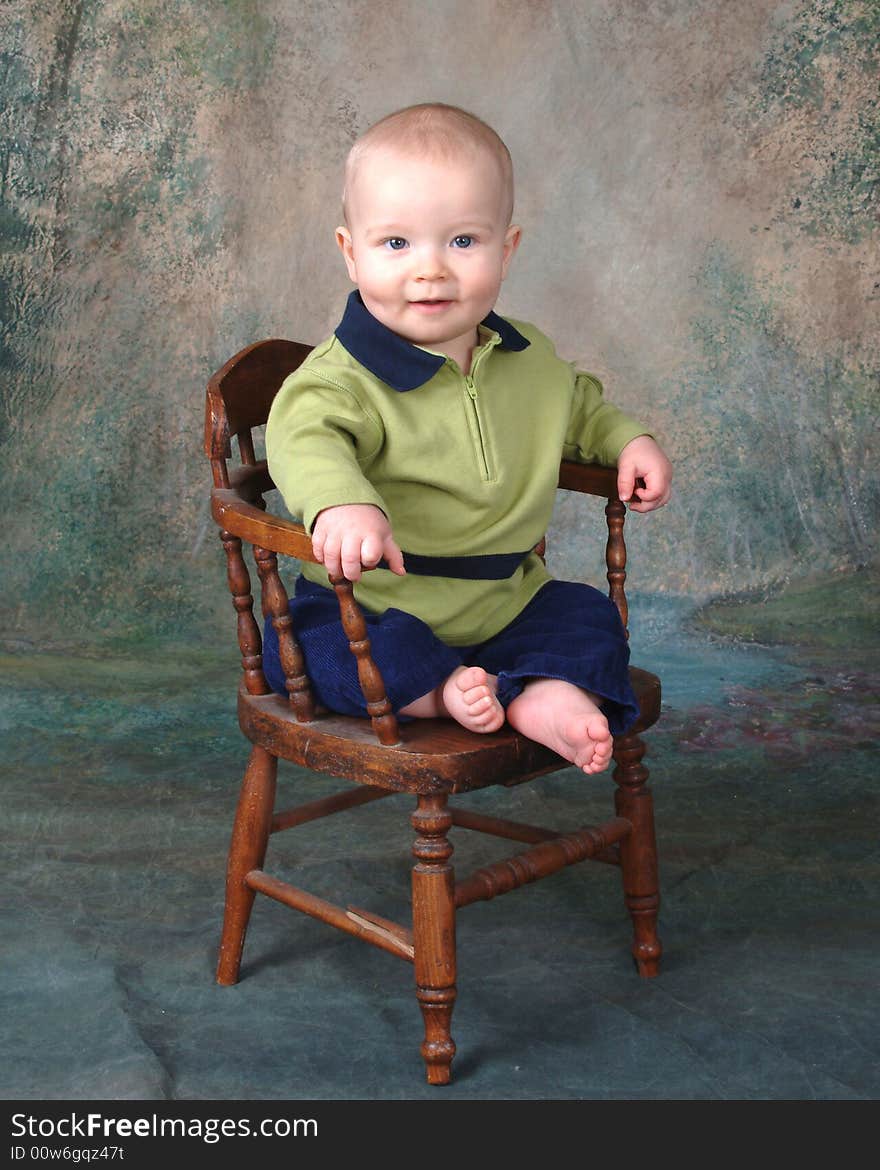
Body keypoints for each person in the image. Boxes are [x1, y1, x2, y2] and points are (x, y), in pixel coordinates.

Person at [264, 103, 672, 774]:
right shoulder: (340, 379)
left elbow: (580, 409)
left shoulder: (528, 358)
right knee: (325, 654)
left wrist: (628, 442)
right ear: (350, 252)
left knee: (587, 618)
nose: (431, 270)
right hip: (377, 604)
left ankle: (543, 692)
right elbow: (305, 438)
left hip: (503, 599)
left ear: (506, 249)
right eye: (396, 244)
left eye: (462, 242)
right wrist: (340, 501)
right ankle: (438, 694)